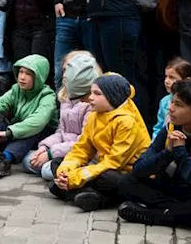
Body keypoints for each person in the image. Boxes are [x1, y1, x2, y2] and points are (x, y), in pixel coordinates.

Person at [116, 80, 191, 227]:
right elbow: (139, 169)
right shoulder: (170, 127)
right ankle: (185, 216)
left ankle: (155, 216)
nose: (171, 108)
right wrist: (168, 153)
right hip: (174, 192)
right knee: (127, 182)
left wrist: (180, 152)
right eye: (172, 102)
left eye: (178, 105)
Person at [51, 73, 151, 211]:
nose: (90, 97)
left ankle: (93, 197)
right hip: (102, 165)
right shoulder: (94, 115)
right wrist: (65, 171)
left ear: (112, 96)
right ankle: (84, 194)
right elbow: (81, 149)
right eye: (91, 92)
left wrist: (75, 177)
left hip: (125, 173)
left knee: (106, 178)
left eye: (97, 94)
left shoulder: (127, 122)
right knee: (57, 163)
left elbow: (114, 163)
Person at [0, 54, 57, 177]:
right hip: (16, 132)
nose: (22, 77)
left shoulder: (47, 96)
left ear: (39, 77)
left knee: (32, 130)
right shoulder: (16, 90)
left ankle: (4, 159)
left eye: (28, 74)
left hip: (38, 137)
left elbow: (37, 122)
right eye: (20, 72)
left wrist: (8, 133)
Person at [28, 50, 100, 178]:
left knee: (46, 169)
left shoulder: (92, 103)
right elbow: (61, 132)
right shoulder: (65, 98)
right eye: (64, 70)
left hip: (82, 154)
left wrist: (51, 153)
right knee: (29, 159)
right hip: (62, 149)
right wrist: (45, 147)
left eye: (69, 70)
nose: (65, 75)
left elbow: (84, 143)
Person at [152, 57, 191, 137]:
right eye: (166, 76)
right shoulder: (164, 101)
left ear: (186, 80)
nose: (166, 81)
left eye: (172, 77)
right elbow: (159, 127)